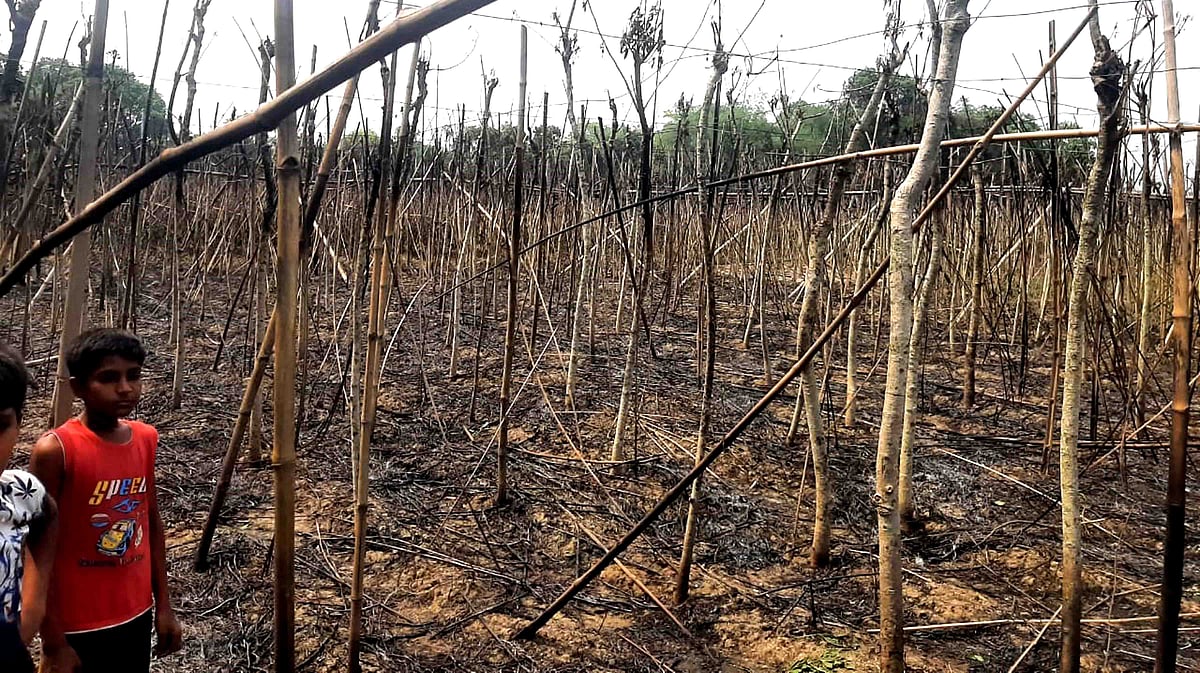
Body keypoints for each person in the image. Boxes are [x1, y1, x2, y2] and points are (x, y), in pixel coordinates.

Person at [31, 329, 182, 673]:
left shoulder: (145, 438)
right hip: (78, 622)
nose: (126, 387)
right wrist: (53, 642)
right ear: (78, 386)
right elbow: (37, 547)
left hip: (136, 611)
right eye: (108, 378)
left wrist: (164, 606)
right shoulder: (57, 451)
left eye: (134, 376)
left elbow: (150, 521)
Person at [0, 343, 57, 673]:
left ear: (19, 424)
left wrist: (33, 606)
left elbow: (47, 516)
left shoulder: (19, 491)